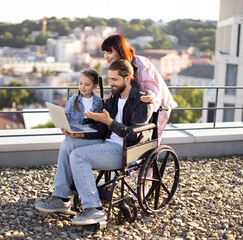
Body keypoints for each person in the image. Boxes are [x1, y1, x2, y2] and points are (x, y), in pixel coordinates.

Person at [35, 59, 154, 225]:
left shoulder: (141, 102)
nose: (110, 83)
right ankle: (61, 198)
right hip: (108, 145)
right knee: (69, 143)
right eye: (109, 79)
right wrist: (79, 135)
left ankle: (94, 209)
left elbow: (134, 136)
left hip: (126, 150)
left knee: (78, 156)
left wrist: (110, 122)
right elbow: (103, 131)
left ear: (127, 78)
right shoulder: (112, 100)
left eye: (114, 80)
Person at [101, 34, 177, 143]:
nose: (106, 57)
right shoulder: (119, 66)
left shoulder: (140, 63)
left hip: (157, 103)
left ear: (119, 50)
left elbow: (154, 89)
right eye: (104, 53)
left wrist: (150, 96)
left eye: (109, 52)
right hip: (140, 102)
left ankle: (145, 158)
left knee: (152, 136)